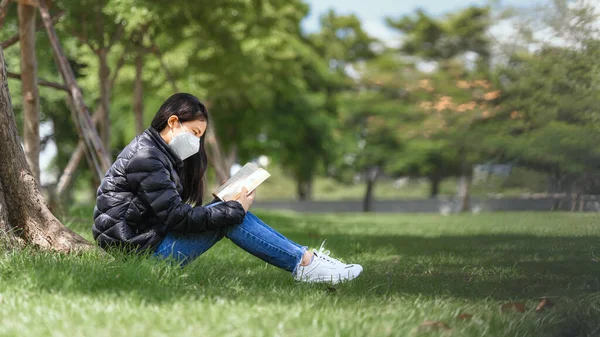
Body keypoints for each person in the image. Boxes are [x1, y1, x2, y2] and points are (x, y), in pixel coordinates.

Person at [92, 93, 362, 284]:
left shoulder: (154, 152)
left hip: (143, 248)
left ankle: (307, 260)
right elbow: (177, 218)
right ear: (173, 122)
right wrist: (232, 209)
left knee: (229, 212)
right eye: (195, 133)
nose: (197, 142)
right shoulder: (147, 158)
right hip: (140, 259)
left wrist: (224, 203)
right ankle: (307, 264)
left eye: (200, 136)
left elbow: (169, 212)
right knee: (230, 218)